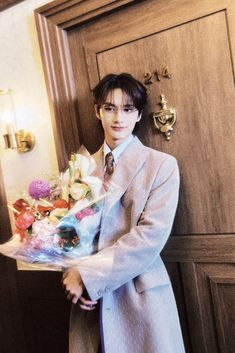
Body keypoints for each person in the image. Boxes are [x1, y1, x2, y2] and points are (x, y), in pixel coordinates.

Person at [62, 73, 185, 353]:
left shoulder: (161, 165)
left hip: (138, 295)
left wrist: (88, 275)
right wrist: (70, 273)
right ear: (98, 112)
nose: (119, 117)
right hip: (87, 302)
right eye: (110, 108)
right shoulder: (78, 167)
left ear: (139, 114)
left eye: (128, 109)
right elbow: (66, 233)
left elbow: (150, 236)